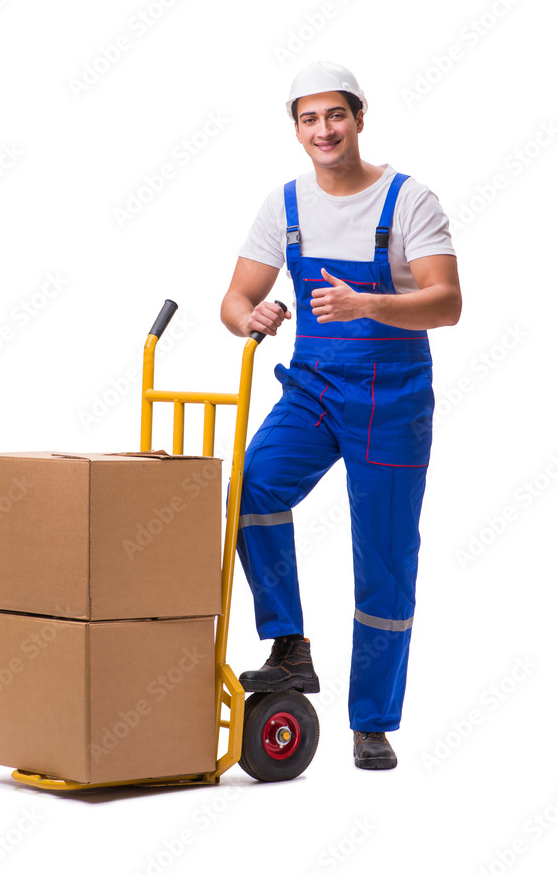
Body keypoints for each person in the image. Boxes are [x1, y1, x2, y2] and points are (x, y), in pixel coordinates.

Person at [220, 60, 461, 769]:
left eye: (336, 115)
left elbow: (447, 303)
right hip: (316, 391)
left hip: (394, 401)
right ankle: (290, 646)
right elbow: (234, 300)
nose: (323, 130)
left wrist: (369, 304)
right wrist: (251, 316)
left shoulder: (410, 200)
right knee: (252, 486)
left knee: (384, 557)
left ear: (359, 118)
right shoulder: (285, 205)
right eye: (308, 118)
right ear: (296, 129)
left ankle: (371, 720)